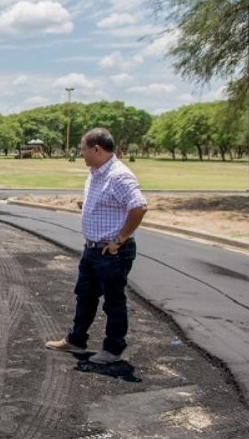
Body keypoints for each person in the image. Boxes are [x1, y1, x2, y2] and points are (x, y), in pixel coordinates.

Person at [46, 127, 148, 364]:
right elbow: (111, 203)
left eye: (82, 149)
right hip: (92, 249)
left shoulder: (118, 175)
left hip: (111, 252)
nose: (80, 153)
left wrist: (119, 240)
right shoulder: (95, 172)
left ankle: (113, 350)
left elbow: (139, 207)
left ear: (97, 149)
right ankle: (76, 341)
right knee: (85, 296)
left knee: (113, 302)